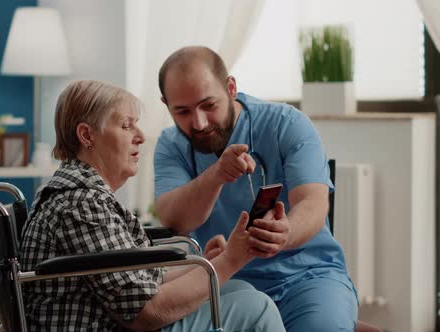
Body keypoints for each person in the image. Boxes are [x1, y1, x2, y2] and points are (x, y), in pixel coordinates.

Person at [20, 80, 285, 331]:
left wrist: (203, 263)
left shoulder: (80, 195)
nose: (141, 136)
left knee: (239, 290)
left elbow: (141, 280)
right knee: (256, 309)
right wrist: (231, 259)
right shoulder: (79, 203)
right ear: (87, 135)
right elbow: (146, 311)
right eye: (126, 126)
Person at [153, 46, 358, 331]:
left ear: (231, 87)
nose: (198, 123)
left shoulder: (287, 124)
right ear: (166, 104)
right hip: (227, 284)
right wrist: (216, 175)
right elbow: (175, 220)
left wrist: (286, 232)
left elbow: (314, 203)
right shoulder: (171, 146)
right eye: (183, 111)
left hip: (307, 276)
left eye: (209, 105)